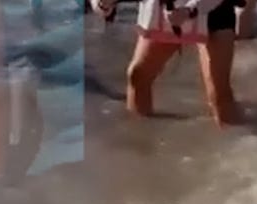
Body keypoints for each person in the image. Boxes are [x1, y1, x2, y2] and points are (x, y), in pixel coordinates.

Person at [91, 0, 242, 125]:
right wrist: (103, 4)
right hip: (165, 10)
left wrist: (190, 11)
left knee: (218, 93)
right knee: (138, 75)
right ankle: (139, 139)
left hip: (213, 11)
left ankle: (242, 145)